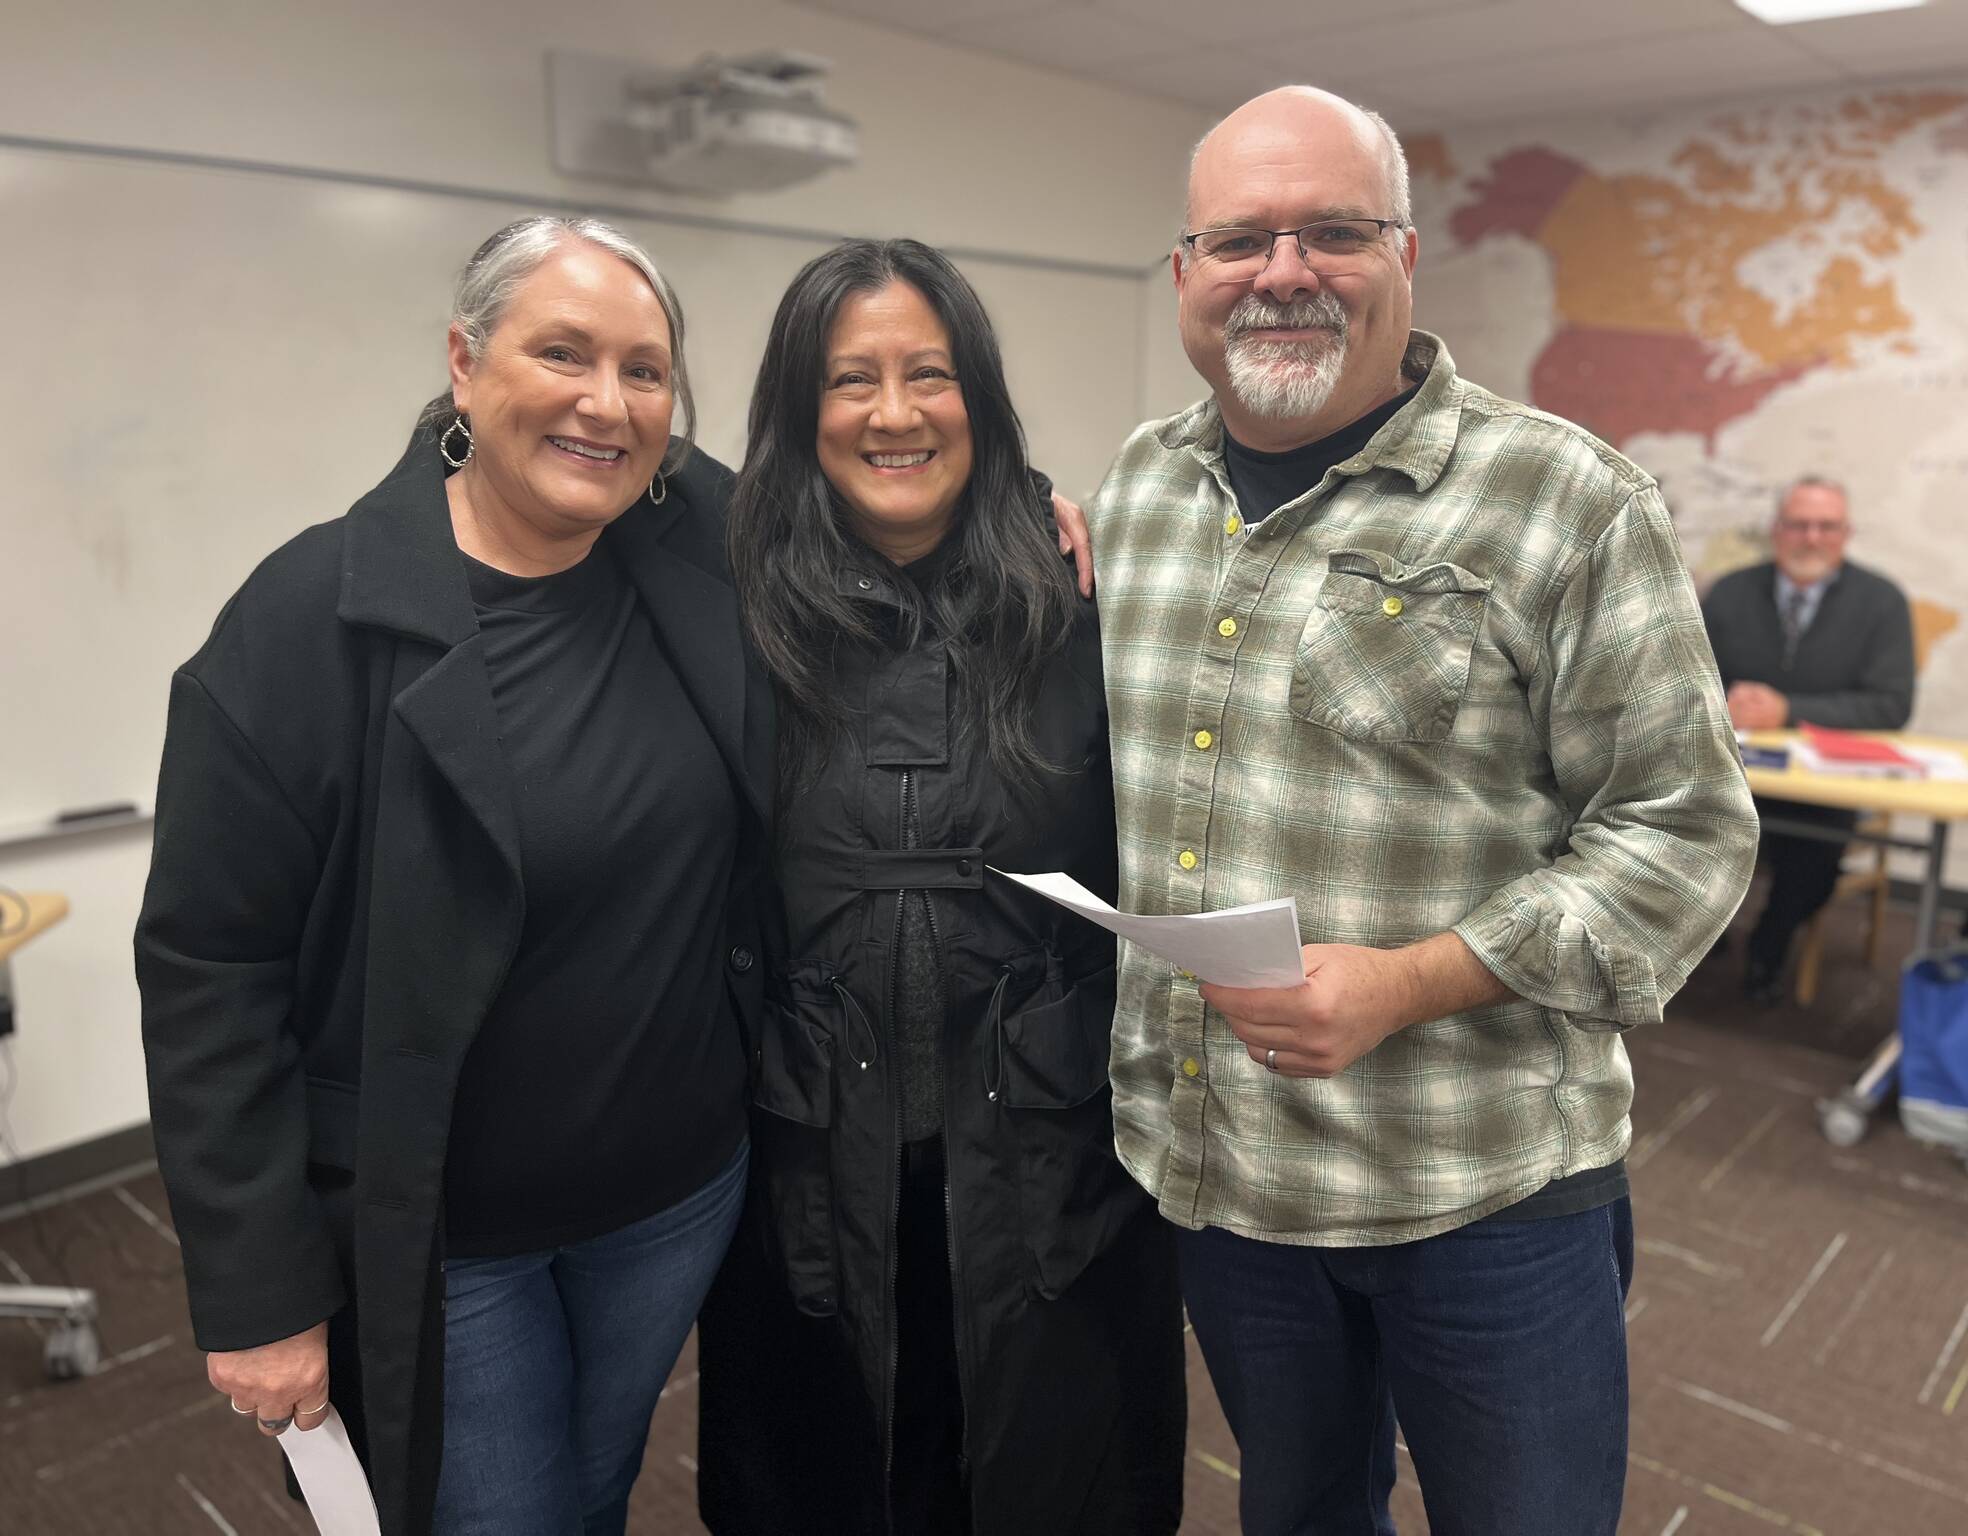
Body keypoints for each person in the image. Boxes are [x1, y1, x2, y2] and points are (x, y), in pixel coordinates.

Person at [1076, 88, 1760, 1535]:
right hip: (1232, 1178)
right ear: (1184, 270)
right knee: (1301, 1512)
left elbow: (1685, 834)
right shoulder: (1136, 490)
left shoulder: (1564, 500)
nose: (1284, 270)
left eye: (1334, 232)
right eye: (1239, 238)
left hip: (1485, 1189)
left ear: (1405, 259)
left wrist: (1411, 982)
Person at [134, 216, 776, 1535]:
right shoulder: (308, 621)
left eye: (646, 371)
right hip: (446, 1243)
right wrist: (258, 1290)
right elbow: (210, 968)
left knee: (593, 1488)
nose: (607, 403)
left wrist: (1021, 498)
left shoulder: (686, 546)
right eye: (563, 352)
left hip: (673, 1198)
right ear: (464, 365)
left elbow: (862, 494)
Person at [705, 238, 1185, 1536]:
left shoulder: (1085, 591)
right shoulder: (724, 597)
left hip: (1047, 1152)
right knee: (827, 1476)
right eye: (852, 379)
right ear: (799, 412)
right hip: (809, 1143)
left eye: (931, 372)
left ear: (982, 393)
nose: (897, 411)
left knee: (1051, 1478)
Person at [1701, 475, 1915, 1004]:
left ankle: (1770, 945)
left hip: (1820, 790)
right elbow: (1685, 676)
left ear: (1847, 534)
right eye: (1798, 524)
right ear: (1776, 530)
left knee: (1813, 860)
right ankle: (1704, 933)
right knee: (1671, 826)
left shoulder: (1881, 602)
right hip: (1733, 773)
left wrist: (1789, 711)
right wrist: (1726, 700)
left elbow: (1891, 705)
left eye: (1826, 526)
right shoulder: (1730, 592)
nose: (1811, 537)